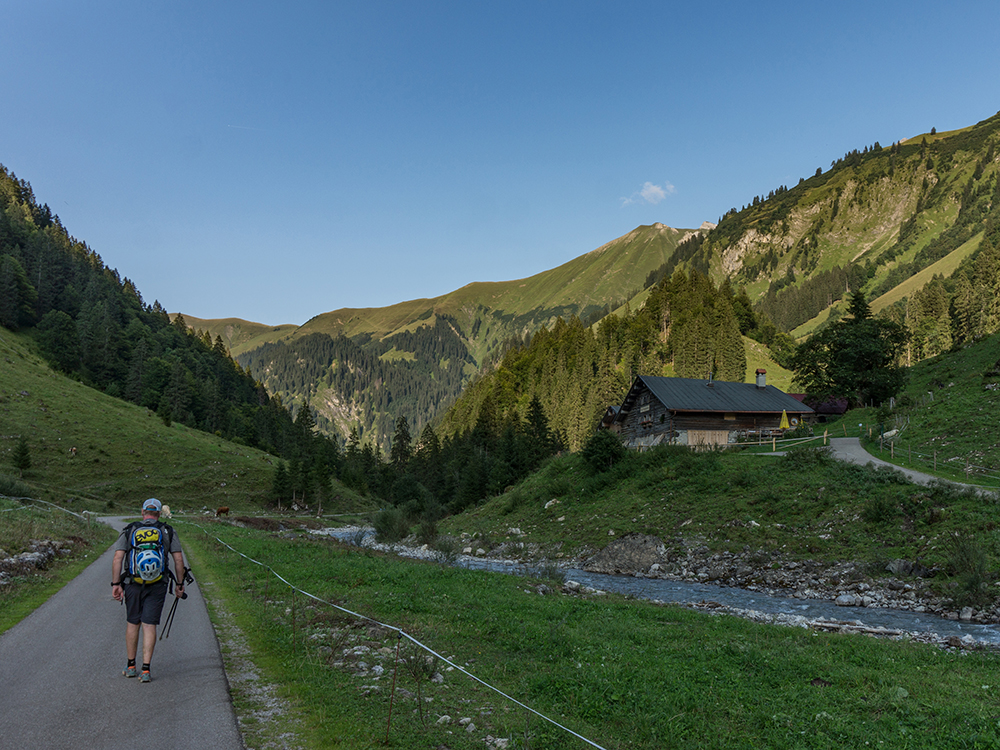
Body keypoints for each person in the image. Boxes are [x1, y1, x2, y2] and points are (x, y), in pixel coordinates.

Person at [111, 498, 186, 683]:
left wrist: (115, 584)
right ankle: (145, 670)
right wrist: (179, 584)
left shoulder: (130, 529)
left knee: (133, 622)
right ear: (159, 513)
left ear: (143, 512)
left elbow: (117, 558)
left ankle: (130, 666)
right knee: (149, 624)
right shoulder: (167, 530)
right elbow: (178, 560)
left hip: (132, 583)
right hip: (158, 584)